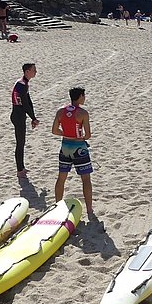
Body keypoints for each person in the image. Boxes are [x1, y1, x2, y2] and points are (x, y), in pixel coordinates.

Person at [52, 87, 94, 217]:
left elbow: (54, 130)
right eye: (84, 96)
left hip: (65, 146)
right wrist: (78, 136)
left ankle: (57, 205)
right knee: (86, 179)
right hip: (79, 147)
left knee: (61, 178)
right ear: (80, 97)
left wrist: (65, 133)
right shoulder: (82, 113)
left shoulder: (60, 111)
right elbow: (88, 135)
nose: (85, 98)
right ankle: (89, 209)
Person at [10, 63, 40, 176]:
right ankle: (19, 170)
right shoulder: (21, 84)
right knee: (20, 143)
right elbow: (25, 105)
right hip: (17, 116)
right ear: (27, 71)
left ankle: (21, 168)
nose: (35, 72)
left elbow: (28, 101)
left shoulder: (24, 83)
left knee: (22, 143)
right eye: (34, 70)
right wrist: (33, 118)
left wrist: (33, 117)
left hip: (21, 115)